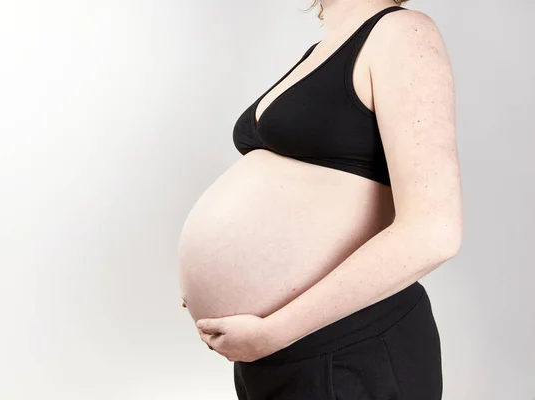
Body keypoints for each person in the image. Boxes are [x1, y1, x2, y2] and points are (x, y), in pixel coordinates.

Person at [180, 1, 462, 399]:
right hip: (279, 354)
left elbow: (435, 232)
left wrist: (272, 331)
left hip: (349, 350)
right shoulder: (323, 49)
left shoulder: (403, 33)